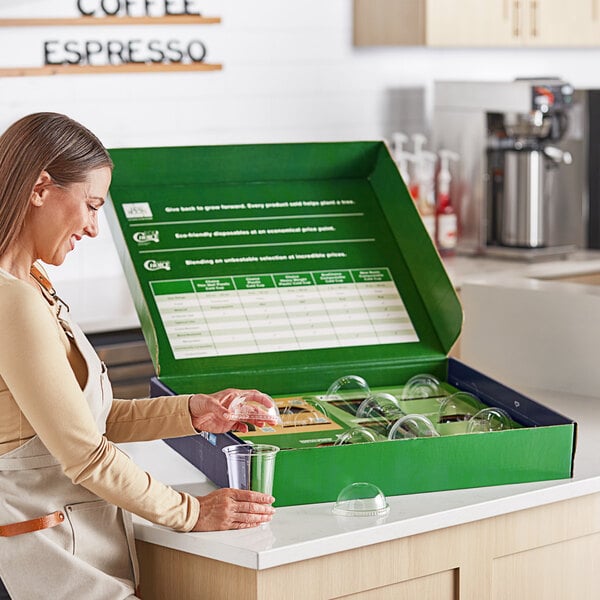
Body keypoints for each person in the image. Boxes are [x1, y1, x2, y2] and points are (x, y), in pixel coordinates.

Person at [0, 113, 276, 600]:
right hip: (41, 564)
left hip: (70, 547)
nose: (91, 227)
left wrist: (195, 411)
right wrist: (192, 512)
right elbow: (86, 456)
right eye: (89, 205)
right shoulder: (12, 302)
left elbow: (92, 422)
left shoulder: (32, 284)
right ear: (41, 186)